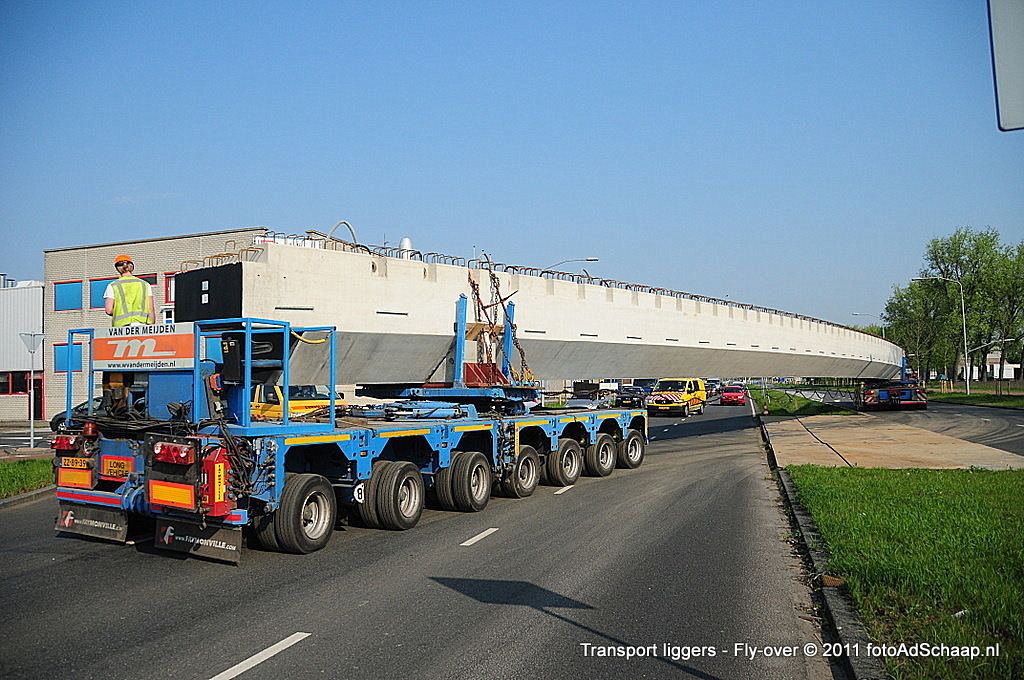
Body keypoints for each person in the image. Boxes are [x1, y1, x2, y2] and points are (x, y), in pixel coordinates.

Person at [103, 254, 156, 326]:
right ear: (132, 267)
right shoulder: (145, 285)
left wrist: (118, 312)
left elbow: (109, 310)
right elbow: (150, 309)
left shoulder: (112, 286)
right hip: (141, 326)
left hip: (120, 328)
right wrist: (150, 325)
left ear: (118, 269)